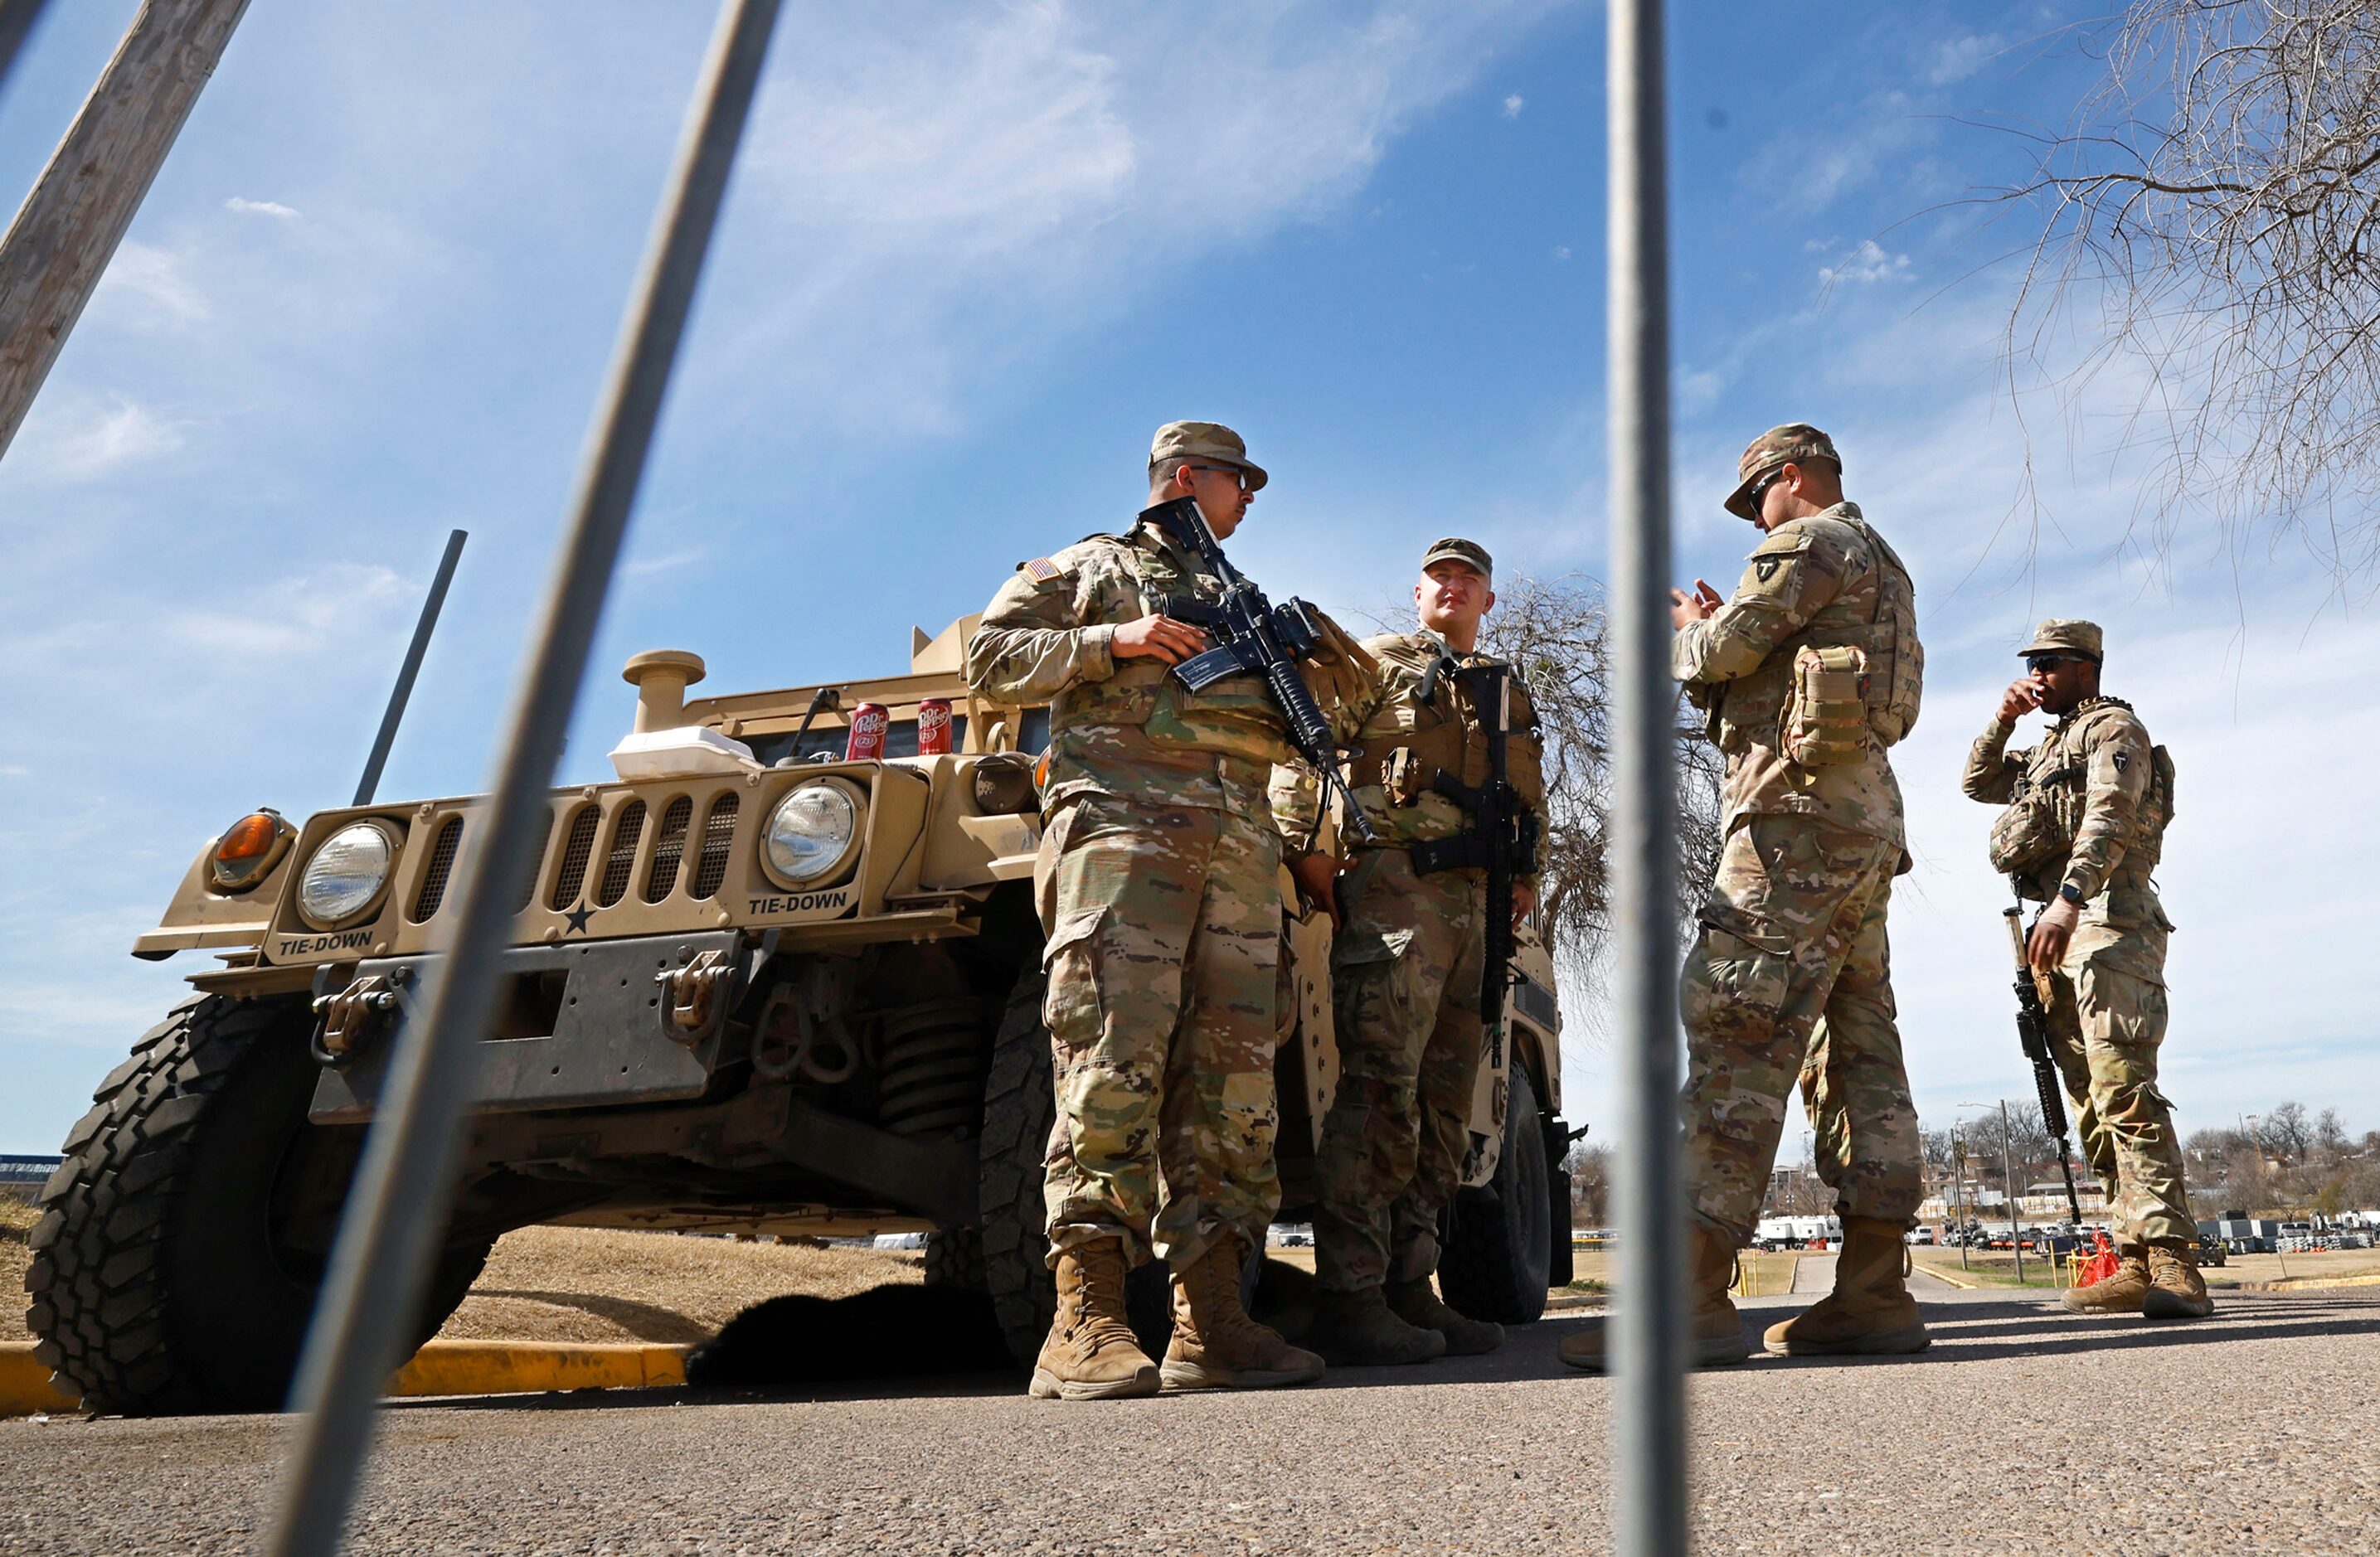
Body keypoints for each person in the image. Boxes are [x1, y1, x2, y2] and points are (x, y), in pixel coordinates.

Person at [964, 420, 1372, 1399]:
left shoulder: (1247, 605)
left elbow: (1337, 720)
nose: (1249, 500)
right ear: (1186, 478)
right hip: (1122, 833)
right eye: (1240, 482)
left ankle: (1212, 1320)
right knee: (1112, 1058)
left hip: (1236, 850)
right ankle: (1085, 1317)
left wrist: (1321, 655)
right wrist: (1117, 640)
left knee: (1233, 1092)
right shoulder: (1091, 566)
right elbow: (989, 656)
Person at [1560, 423, 1929, 1371]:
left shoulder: (1805, 542)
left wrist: (1693, 631)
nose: (1752, 518)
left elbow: (1714, 657)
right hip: (1859, 829)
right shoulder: (1881, 561)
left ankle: (1685, 1299)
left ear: (1790, 478)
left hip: (1788, 833)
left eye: (1756, 496)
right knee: (1860, 1053)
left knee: (1735, 1035)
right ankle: (1874, 1291)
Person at [1275, 537, 1547, 1365]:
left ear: (1487, 602)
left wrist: (1529, 871)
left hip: (1476, 913)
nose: (1454, 587)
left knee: (1441, 1109)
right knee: (1377, 1092)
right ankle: (1349, 1296)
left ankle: (1407, 1288)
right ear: (1417, 592)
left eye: (1469, 579)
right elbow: (1300, 744)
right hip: (1396, 895)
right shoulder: (1376, 663)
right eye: (1440, 577)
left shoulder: (1505, 690)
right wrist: (1302, 845)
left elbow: (1528, 791)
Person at [1961, 619, 2209, 1320]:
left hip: (2108, 923)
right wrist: (2001, 720)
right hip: (2054, 933)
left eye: (2047, 663)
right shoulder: (2047, 748)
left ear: (2085, 666)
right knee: (2090, 1103)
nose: (2035, 673)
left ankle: (2175, 1263)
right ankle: (2131, 1259)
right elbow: (1978, 782)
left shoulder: (2114, 731)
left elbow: (2110, 816)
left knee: (2125, 1091)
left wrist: (2069, 902)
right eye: (2030, 663)